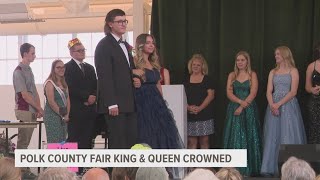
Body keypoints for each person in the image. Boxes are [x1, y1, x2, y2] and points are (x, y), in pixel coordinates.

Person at [94, 9, 140, 149]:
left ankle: (130, 171)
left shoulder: (125, 45)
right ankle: (116, 172)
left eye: (124, 21)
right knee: (118, 142)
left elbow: (129, 70)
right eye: (119, 21)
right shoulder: (104, 45)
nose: (123, 24)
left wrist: (137, 78)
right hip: (115, 105)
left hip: (129, 102)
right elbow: (104, 76)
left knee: (131, 141)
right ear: (110, 24)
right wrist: (111, 103)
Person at [261, 46, 306, 176]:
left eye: (278, 54)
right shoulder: (273, 72)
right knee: (272, 136)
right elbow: (269, 91)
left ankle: (291, 170)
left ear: (285, 55)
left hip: (288, 106)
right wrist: (272, 104)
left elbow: (293, 92)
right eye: (275, 54)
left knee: (289, 135)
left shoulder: (293, 71)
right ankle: (271, 167)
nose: (276, 56)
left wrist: (278, 104)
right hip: (273, 106)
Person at [133, 33, 183, 149]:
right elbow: (127, 75)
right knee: (147, 133)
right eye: (148, 43)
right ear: (141, 45)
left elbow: (158, 85)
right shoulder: (134, 61)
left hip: (157, 102)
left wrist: (162, 102)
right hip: (143, 101)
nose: (151, 45)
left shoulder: (154, 63)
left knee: (162, 133)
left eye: (152, 43)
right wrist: (135, 75)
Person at [223, 51, 262, 176]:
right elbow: (229, 93)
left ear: (247, 61)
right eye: (238, 60)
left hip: (249, 109)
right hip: (235, 108)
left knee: (250, 136)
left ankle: (249, 168)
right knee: (234, 136)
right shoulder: (232, 75)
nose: (240, 62)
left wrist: (244, 105)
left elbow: (254, 92)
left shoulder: (252, 74)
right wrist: (240, 103)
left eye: (242, 60)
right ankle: (233, 169)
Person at [13, 42, 44, 179]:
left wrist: (38, 108)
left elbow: (34, 91)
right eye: (32, 53)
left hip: (32, 110)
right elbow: (25, 95)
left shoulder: (29, 70)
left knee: (26, 142)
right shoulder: (18, 71)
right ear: (25, 54)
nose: (35, 56)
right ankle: (20, 172)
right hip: (24, 110)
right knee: (23, 143)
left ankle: (23, 170)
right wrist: (38, 107)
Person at [65, 38, 97, 149]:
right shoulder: (67, 68)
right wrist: (86, 97)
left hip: (90, 111)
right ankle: (74, 166)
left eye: (83, 50)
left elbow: (96, 85)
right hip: (76, 110)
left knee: (88, 141)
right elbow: (69, 87)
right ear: (71, 53)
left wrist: (93, 96)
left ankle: (86, 166)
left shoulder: (90, 68)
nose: (82, 52)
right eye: (79, 50)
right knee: (74, 140)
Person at [184, 54, 214, 149]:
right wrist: (188, 107)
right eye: (194, 64)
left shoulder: (208, 79)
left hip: (204, 114)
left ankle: (204, 164)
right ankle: (192, 164)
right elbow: (181, 95)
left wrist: (200, 108)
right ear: (191, 66)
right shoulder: (185, 79)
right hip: (189, 114)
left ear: (202, 67)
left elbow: (211, 95)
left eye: (198, 65)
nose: (195, 67)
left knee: (204, 141)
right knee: (191, 141)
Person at [43, 59, 70, 143]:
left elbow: (68, 100)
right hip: (52, 116)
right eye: (58, 67)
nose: (61, 69)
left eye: (63, 67)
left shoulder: (64, 82)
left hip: (64, 116)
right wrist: (62, 115)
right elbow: (51, 102)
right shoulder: (49, 83)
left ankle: (63, 156)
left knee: (64, 141)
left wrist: (67, 115)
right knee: (55, 141)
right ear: (53, 69)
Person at [305, 42, 320, 144]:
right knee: (314, 129)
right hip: (314, 102)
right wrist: (312, 90)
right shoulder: (311, 66)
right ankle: (316, 158)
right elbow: (307, 87)